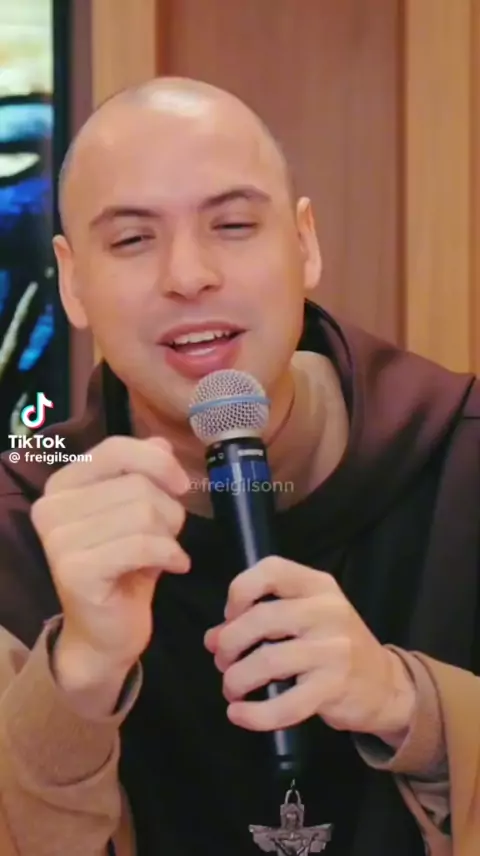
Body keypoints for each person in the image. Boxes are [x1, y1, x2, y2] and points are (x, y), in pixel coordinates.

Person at [0, 77, 479, 856]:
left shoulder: (460, 456)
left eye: (232, 225)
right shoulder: (20, 521)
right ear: (73, 282)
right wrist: (79, 676)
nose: (188, 275)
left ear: (305, 243)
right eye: (132, 240)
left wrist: (409, 706)